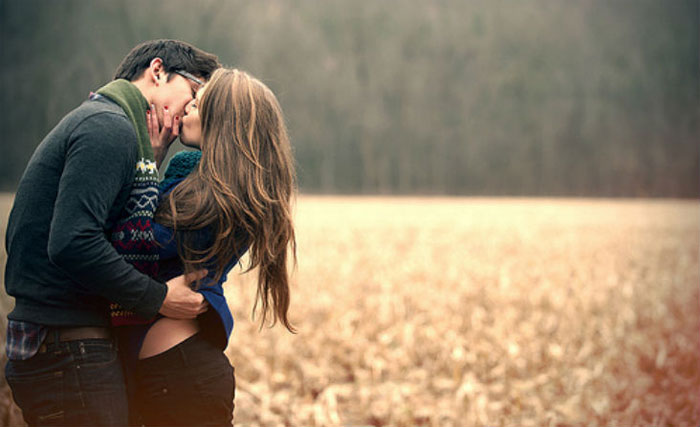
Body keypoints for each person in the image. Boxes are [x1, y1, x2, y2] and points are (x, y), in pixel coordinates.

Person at [4, 40, 220, 426]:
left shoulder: (111, 125)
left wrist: (151, 162)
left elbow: (105, 225)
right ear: (158, 71)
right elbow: (73, 242)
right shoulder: (109, 129)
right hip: (67, 346)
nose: (190, 108)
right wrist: (157, 299)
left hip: (65, 342)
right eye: (193, 93)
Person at [128, 68, 297, 426]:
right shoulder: (198, 181)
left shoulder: (215, 200)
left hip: (181, 378)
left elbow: (133, 243)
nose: (187, 106)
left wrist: (149, 159)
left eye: (199, 104)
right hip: (172, 376)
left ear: (222, 121)